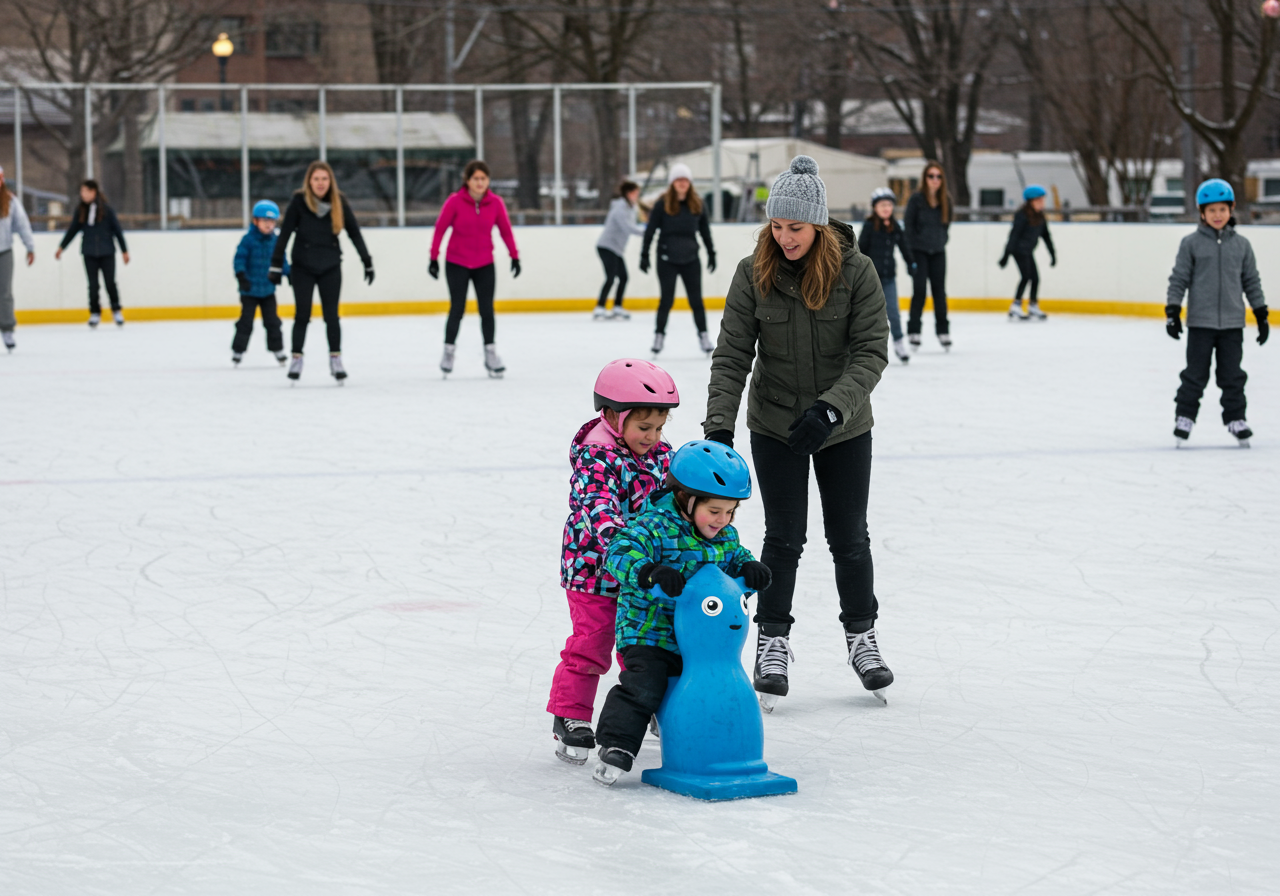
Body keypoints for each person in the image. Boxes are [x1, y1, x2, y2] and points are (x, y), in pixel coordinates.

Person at [703, 155, 893, 712]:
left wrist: (831, 411)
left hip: (844, 426)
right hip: (776, 422)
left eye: (796, 227)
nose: (785, 237)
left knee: (848, 536)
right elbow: (733, 353)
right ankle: (772, 641)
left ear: (819, 225)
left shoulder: (856, 272)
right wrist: (719, 423)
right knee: (784, 537)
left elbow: (870, 353)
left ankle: (862, 637)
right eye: (777, 226)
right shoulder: (752, 271)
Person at [592, 439, 770, 786]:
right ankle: (617, 745)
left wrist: (750, 567)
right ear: (686, 500)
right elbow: (618, 551)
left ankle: (715, 746)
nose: (722, 520)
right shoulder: (654, 526)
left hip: (700, 641)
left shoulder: (726, 537)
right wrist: (649, 571)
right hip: (649, 633)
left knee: (717, 684)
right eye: (714, 510)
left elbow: (737, 558)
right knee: (646, 685)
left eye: (730, 511)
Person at [549, 359, 681, 766]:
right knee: (592, 644)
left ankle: (654, 707)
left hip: (642, 575)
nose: (654, 437)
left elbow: (674, 504)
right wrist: (631, 552)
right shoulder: (596, 458)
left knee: (647, 646)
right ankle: (570, 715)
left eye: (660, 428)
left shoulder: (661, 455)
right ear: (612, 416)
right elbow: (599, 512)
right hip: (592, 573)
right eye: (645, 428)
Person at [1166, 178, 1268, 447]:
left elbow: (1251, 281)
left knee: (1232, 376)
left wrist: (1260, 313)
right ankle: (1184, 417)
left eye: (1222, 209)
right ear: (1202, 213)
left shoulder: (1242, 245)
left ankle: (1236, 419)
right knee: (1195, 375)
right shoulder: (1191, 244)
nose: (1218, 215)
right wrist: (1173, 311)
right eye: (1211, 210)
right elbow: (1179, 279)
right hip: (1201, 323)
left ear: (1231, 209)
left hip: (1233, 324)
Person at [269, 160, 373, 384]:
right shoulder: (299, 201)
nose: (320, 183)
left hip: (330, 266)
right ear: (309, 181)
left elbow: (354, 232)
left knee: (331, 316)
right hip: (302, 267)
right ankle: (296, 358)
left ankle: (335, 360)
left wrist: (367, 261)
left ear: (330, 181)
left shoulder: (339, 201)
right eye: (316, 179)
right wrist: (276, 264)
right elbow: (285, 233)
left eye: (324, 179)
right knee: (302, 315)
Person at [428, 160, 520, 378]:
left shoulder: (495, 203)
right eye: (475, 178)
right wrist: (434, 257)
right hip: (457, 262)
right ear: (467, 181)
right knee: (457, 309)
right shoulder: (455, 202)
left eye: (483, 178)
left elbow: (505, 231)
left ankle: (491, 354)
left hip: (484, 264)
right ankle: (448, 352)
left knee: (486, 310)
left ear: (488, 181)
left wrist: (514, 256)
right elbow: (440, 229)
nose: (480, 183)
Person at [640, 163, 717, 357]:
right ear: (672, 183)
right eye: (678, 180)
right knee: (666, 299)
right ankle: (659, 336)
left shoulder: (697, 204)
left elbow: (705, 231)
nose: (682, 183)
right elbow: (650, 231)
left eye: (685, 180)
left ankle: (704, 336)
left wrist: (711, 253)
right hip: (667, 258)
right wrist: (644, 254)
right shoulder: (662, 204)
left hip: (691, 258)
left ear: (689, 183)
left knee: (696, 300)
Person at [55, 179, 129, 328]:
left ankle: (116, 309)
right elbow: (73, 230)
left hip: (107, 251)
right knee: (93, 285)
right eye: (81, 191)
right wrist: (62, 247)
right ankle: (95, 312)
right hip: (89, 252)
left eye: (85, 191)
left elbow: (117, 231)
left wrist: (124, 250)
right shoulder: (81, 211)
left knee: (110, 283)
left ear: (93, 192)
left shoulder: (107, 210)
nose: (82, 194)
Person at [858, 186, 914, 364]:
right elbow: (860, 250)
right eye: (882, 205)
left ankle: (898, 342)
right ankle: (862, 347)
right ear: (875, 208)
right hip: (870, 278)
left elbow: (905, 246)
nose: (886, 208)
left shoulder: (895, 227)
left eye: (889, 205)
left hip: (889, 277)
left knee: (893, 313)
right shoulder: (869, 226)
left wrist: (911, 263)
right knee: (866, 313)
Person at [231, 200, 290, 366]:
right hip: (249, 290)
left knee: (273, 322)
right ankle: (238, 350)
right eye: (265, 221)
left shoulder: (276, 241)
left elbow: (282, 262)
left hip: (268, 291)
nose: (269, 225)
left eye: (272, 222)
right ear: (255, 221)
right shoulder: (248, 240)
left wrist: (290, 274)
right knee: (246, 322)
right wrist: (241, 277)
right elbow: (239, 259)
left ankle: (278, 350)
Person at [903, 160, 951, 351]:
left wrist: (941, 240)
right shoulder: (916, 200)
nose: (935, 180)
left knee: (939, 292)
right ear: (925, 178)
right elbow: (908, 227)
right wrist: (911, 255)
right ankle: (914, 331)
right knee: (920, 291)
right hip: (918, 252)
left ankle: (943, 331)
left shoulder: (946, 200)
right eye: (931, 176)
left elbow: (946, 226)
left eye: (938, 176)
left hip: (938, 252)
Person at [999, 185, 1057, 321]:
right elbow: (1013, 235)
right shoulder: (1022, 216)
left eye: (1043, 200)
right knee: (1026, 277)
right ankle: (1016, 306)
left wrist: (1053, 254)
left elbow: (1046, 236)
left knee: (1035, 279)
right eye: (1039, 200)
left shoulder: (1040, 217)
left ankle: (1032, 306)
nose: (1042, 203)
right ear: (1031, 202)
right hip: (1018, 251)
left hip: (1028, 251)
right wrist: (1005, 256)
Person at [594, 180, 646, 321]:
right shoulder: (620, 209)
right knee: (610, 277)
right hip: (606, 246)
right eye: (635, 193)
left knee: (623, 277)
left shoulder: (631, 207)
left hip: (616, 249)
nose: (637, 196)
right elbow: (628, 227)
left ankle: (617, 306)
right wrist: (646, 232)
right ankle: (600, 307)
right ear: (628, 193)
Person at [0, 165, 35, 352]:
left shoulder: (10, 201)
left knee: (4, 292)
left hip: (4, 251)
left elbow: (22, 224)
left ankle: (6, 329)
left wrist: (30, 247)